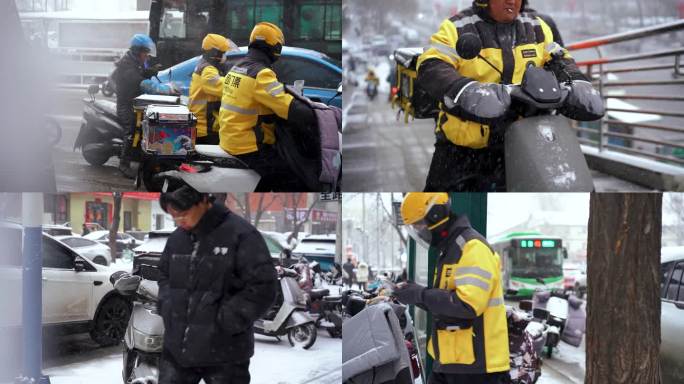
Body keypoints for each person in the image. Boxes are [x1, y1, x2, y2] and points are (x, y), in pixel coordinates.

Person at [417, 0, 604, 191]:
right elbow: (432, 64)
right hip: (462, 151)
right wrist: (464, 88)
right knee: (440, 193)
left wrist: (577, 80)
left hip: (523, 144)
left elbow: (559, 58)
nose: (512, 1)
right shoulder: (457, 27)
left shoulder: (537, 26)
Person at [157, 185, 277, 384]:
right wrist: (168, 305)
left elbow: (264, 286)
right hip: (178, 350)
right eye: (174, 217)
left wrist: (226, 320)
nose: (179, 221)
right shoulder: (177, 239)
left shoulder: (241, 234)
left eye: (184, 214)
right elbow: (163, 274)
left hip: (224, 352)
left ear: (204, 200)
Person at [395, 193, 509, 384]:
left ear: (435, 216)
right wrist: (413, 293)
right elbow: (446, 302)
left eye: (419, 225)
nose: (419, 231)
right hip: (452, 361)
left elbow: (467, 305)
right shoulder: (449, 250)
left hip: (477, 368)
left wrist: (420, 294)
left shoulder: (472, 247)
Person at [218, 22, 316, 191]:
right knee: (292, 178)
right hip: (250, 147)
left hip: (231, 139)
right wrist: (314, 114)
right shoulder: (261, 74)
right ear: (274, 47)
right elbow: (287, 107)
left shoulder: (237, 68)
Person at [112, 34, 162, 179]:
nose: (147, 55)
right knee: (131, 130)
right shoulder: (126, 64)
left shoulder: (135, 62)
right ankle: (123, 164)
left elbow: (140, 73)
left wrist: (151, 71)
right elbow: (136, 79)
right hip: (125, 105)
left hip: (134, 102)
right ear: (137, 51)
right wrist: (155, 86)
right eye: (145, 52)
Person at [189, 34, 236, 145]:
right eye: (222, 53)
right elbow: (221, 86)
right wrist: (239, 81)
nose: (224, 56)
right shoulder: (208, 70)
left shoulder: (205, 65)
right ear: (214, 53)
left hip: (202, 125)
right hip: (204, 127)